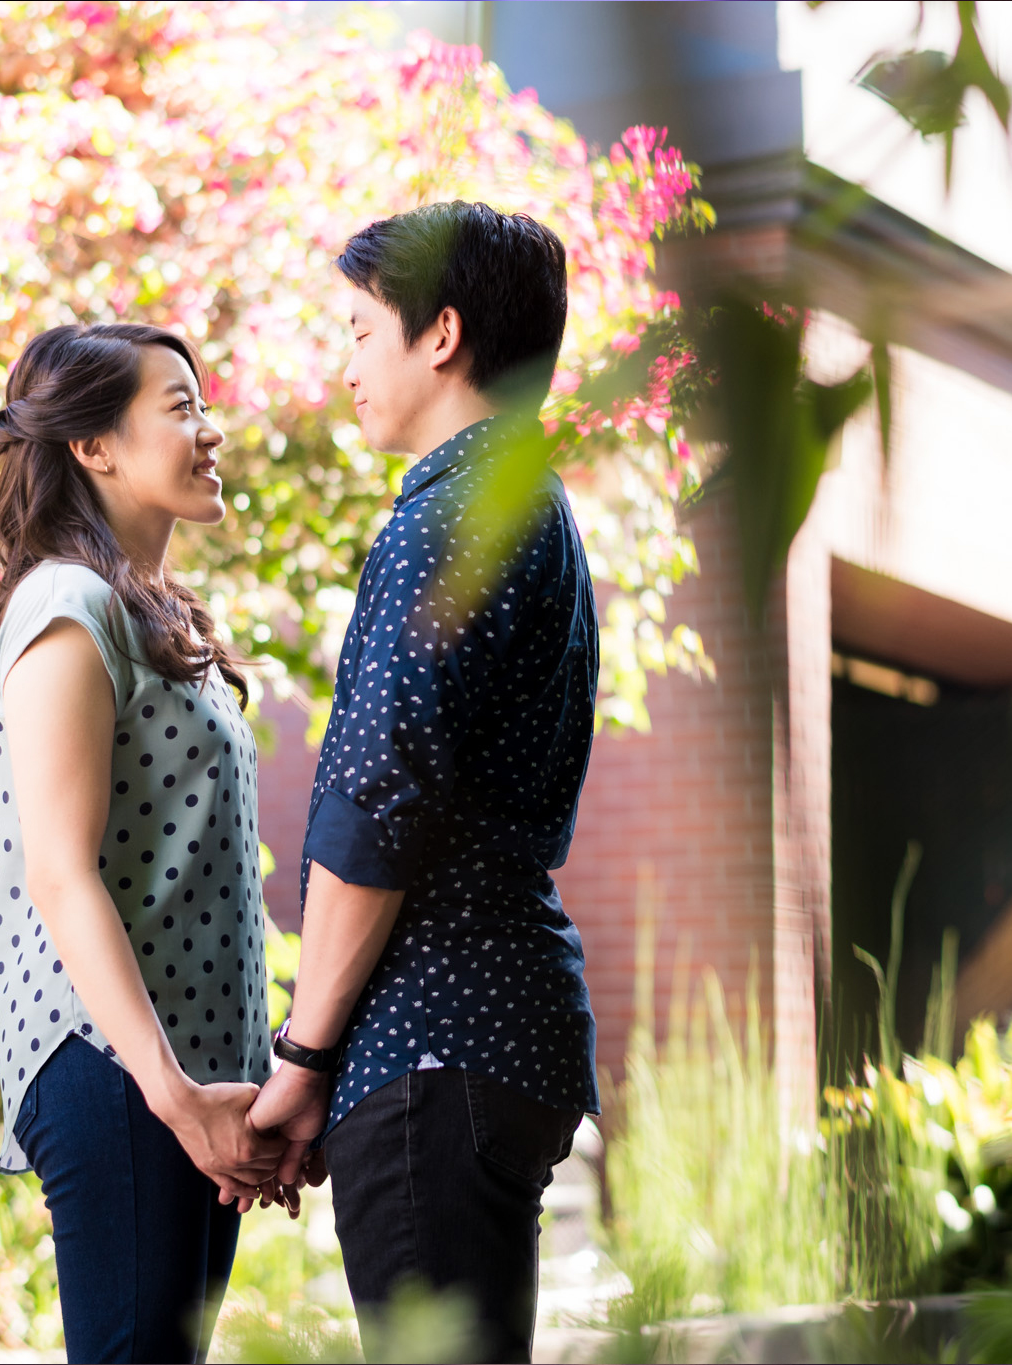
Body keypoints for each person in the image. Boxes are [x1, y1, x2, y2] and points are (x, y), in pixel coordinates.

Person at [249, 202, 599, 1363]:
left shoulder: (445, 517)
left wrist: (301, 1060)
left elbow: (374, 811)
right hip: (504, 1024)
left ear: (438, 333)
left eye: (356, 331)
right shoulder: (527, 506)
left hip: (434, 1034)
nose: (343, 364)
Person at [0, 322, 287, 1363]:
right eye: (181, 406)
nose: (210, 431)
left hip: (183, 1076)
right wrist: (175, 1098)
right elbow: (59, 874)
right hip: (119, 1068)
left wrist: (244, 1087)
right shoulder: (65, 609)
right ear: (93, 446)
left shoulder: (153, 616)